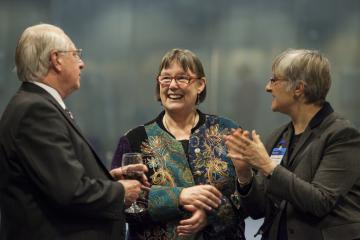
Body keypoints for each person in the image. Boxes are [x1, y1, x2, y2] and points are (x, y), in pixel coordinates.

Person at [0, 23, 147, 240]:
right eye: (76, 54)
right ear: (56, 59)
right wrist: (120, 192)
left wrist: (107, 179)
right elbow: (70, 192)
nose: (82, 64)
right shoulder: (36, 110)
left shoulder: (36, 104)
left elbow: (56, 178)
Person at [225, 49, 360, 240]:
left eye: (274, 80)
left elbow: (321, 202)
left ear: (298, 88)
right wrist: (244, 174)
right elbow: (259, 210)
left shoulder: (342, 135)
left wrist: (267, 166)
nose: (267, 87)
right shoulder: (279, 136)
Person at [111, 48, 246, 239]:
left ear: (200, 84)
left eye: (182, 78)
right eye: (166, 78)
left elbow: (251, 196)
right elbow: (121, 204)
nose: (172, 86)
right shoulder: (134, 139)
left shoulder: (227, 131)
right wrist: (179, 197)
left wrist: (211, 215)